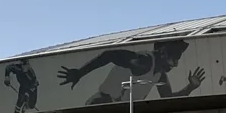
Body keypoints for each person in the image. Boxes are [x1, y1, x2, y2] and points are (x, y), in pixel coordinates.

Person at [57, 40, 205, 104]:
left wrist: (190, 87)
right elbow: (110, 55)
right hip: (101, 105)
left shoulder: (159, 74)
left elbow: (168, 98)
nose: (176, 64)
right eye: (174, 58)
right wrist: (80, 73)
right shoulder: (144, 61)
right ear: (162, 52)